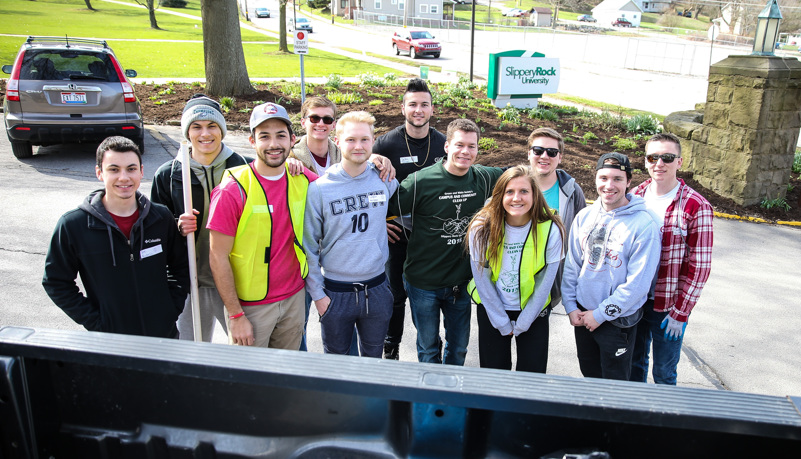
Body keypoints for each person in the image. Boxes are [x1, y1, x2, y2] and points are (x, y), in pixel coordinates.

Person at [43, 136, 189, 338]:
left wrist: (171, 309)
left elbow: (181, 267)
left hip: (163, 336)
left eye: (131, 169)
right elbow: (56, 282)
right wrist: (96, 321)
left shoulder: (161, 217)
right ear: (99, 173)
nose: (124, 177)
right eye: (114, 169)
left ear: (141, 171)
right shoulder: (73, 225)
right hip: (110, 342)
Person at [389, 119, 503, 366]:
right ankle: (430, 399)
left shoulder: (484, 178)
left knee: (459, 349)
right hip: (423, 283)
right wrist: (383, 225)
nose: (465, 152)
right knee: (428, 349)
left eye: (472, 146)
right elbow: (385, 209)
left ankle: (452, 397)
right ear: (447, 146)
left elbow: (517, 175)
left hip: (460, 285)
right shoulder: (420, 182)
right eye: (459, 145)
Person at [289, 95, 396, 353]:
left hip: (377, 289)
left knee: (372, 361)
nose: (358, 146)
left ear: (373, 143)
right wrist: (318, 295)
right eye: (350, 139)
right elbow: (308, 244)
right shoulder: (320, 189)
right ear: (337, 141)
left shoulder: (385, 180)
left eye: (364, 140)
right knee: (338, 367)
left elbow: (392, 211)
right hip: (336, 292)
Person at [207, 103, 317, 349]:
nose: (273, 144)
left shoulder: (303, 180)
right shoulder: (232, 190)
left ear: (292, 140)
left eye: (280, 135)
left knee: (285, 378)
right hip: (251, 307)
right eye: (264, 136)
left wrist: (375, 157)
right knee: (250, 383)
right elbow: (217, 256)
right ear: (252, 141)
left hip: (294, 299)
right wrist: (236, 316)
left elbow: (339, 185)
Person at [151, 94, 250, 342]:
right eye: (196, 127)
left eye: (212, 126)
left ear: (222, 130)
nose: (205, 134)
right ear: (187, 133)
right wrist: (176, 226)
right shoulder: (169, 174)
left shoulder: (244, 170)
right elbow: (153, 231)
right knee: (190, 353)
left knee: (248, 351)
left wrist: (295, 164)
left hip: (235, 281)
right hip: (190, 282)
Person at [561, 152, 661, 380]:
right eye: (603, 178)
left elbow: (638, 284)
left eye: (617, 179)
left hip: (617, 321)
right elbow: (573, 265)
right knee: (590, 376)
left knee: (615, 385)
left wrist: (601, 314)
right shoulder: (584, 217)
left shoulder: (644, 225)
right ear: (595, 179)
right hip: (583, 315)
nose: (609, 185)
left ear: (628, 182)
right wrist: (570, 305)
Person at [372, 78, 447, 360]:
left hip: (432, 236)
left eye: (424, 105)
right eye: (413, 104)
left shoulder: (443, 144)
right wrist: (380, 220)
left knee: (428, 294)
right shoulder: (385, 144)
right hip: (397, 232)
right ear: (403, 107)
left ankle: (430, 347)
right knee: (394, 295)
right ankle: (390, 348)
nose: (418, 110)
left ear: (431, 109)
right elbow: (368, 188)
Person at [630, 133, 714, 385]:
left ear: (679, 162)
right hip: (634, 299)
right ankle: (636, 420)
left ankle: (664, 422)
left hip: (668, 305)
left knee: (664, 373)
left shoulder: (696, 206)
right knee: (633, 367)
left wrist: (681, 312)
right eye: (653, 157)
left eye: (667, 157)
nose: (659, 163)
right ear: (645, 161)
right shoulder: (635, 196)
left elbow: (700, 268)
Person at [467, 166, 565, 373]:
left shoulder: (551, 228)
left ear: (534, 195)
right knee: (494, 375)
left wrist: (524, 321)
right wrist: (501, 321)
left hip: (533, 308)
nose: (516, 198)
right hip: (492, 307)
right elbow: (481, 277)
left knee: (531, 376)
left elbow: (546, 281)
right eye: (509, 191)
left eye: (524, 191)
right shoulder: (481, 227)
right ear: (499, 195)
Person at [527, 127, 586, 307]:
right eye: (538, 150)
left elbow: (583, 238)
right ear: (529, 153)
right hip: (511, 281)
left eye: (552, 152)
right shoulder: (511, 187)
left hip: (551, 284)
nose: (544, 156)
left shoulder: (572, 192)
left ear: (560, 157)